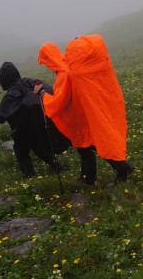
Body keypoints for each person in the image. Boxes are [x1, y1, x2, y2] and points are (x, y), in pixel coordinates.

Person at [35, 34, 133, 185]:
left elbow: (60, 100)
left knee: (87, 146)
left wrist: (42, 93)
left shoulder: (65, 73)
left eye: (44, 61)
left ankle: (100, 174)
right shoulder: (69, 66)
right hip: (85, 113)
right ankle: (97, 173)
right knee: (90, 145)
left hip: (80, 117)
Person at [0, 61, 70, 178]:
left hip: (22, 130)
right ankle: (57, 166)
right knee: (40, 149)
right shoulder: (30, 82)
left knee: (21, 152)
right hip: (39, 125)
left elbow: (0, 118)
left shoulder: (11, 95)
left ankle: (29, 176)